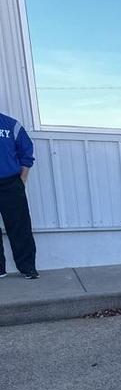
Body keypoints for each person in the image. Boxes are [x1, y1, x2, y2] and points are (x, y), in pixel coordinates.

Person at [0, 111, 38, 279]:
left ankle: (28, 268)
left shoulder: (11, 125)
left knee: (20, 227)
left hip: (10, 183)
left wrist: (22, 179)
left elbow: (26, 151)